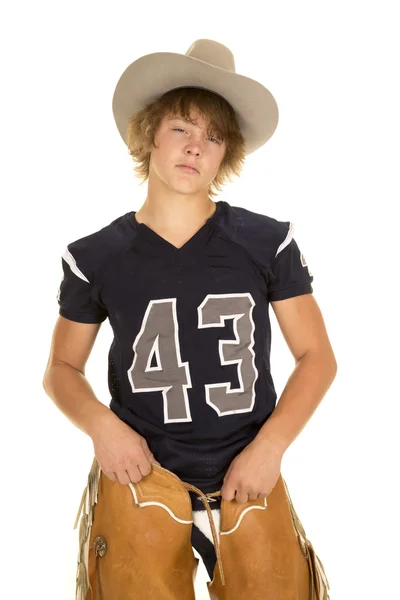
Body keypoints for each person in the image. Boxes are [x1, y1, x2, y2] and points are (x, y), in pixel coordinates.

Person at [43, 39, 336, 599]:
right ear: (149, 132)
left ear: (228, 156)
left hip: (248, 477)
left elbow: (316, 357)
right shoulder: (98, 256)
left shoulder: (264, 242)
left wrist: (269, 448)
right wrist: (103, 428)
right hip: (143, 477)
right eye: (182, 128)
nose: (196, 147)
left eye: (214, 136)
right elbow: (60, 365)